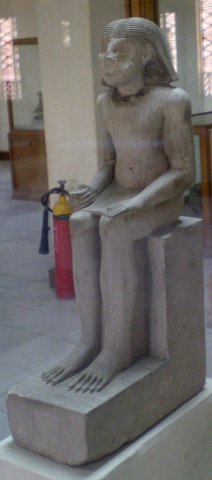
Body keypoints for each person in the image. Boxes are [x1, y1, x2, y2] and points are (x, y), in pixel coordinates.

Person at [42, 17, 195, 393]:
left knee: (115, 228)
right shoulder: (105, 103)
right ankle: (89, 341)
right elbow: (110, 164)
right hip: (121, 192)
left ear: (146, 55)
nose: (108, 59)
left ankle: (117, 349)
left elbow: (182, 172)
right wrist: (90, 191)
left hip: (160, 196)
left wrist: (140, 202)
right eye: (104, 50)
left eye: (120, 51)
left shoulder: (172, 101)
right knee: (78, 222)